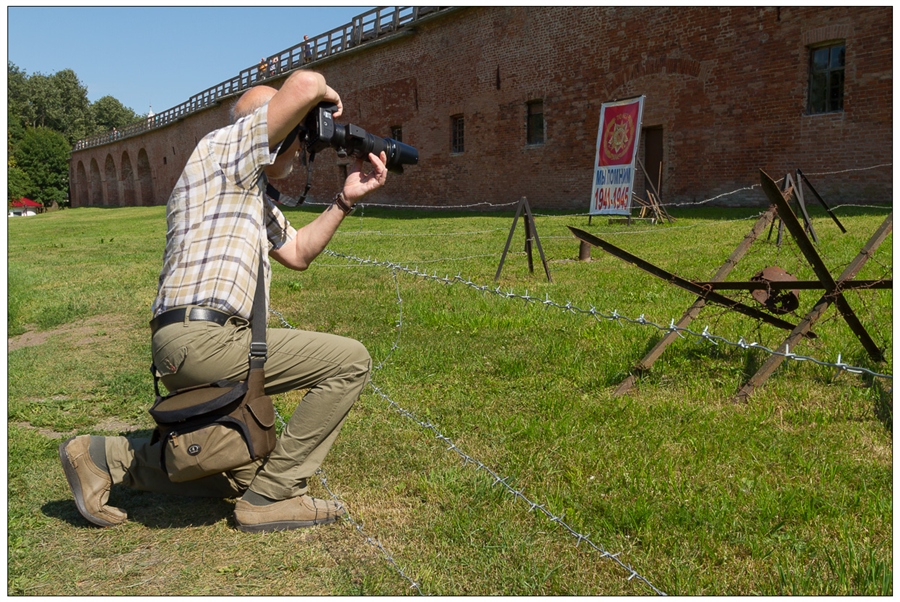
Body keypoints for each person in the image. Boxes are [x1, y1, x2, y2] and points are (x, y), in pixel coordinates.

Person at [58, 70, 389, 533]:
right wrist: (326, 106)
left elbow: (298, 252)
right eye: (297, 134)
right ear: (271, 131)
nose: (300, 146)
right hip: (202, 339)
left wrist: (345, 200)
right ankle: (275, 497)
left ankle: (101, 458)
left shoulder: (248, 193)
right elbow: (308, 83)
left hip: (202, 343)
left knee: (241, 465)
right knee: (349, 360)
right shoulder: (223, 150)